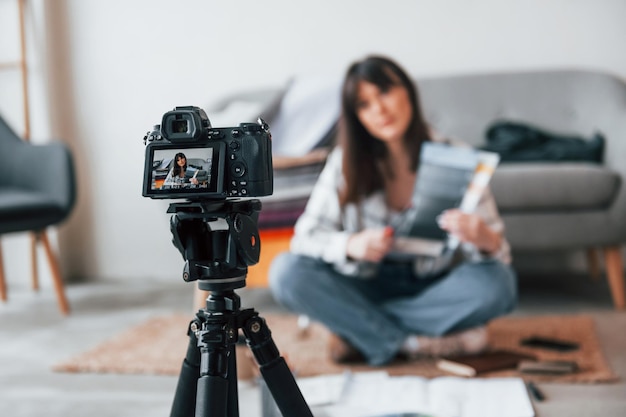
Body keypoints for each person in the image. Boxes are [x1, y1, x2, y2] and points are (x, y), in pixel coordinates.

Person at [268, 55, 517, 366]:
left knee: (499, 284)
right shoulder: (344, 163)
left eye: (384, 92)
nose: (379, 110)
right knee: (287, 272)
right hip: (363, 285)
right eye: (364, 104)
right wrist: (350, 245)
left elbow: (499, 257)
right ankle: (411, 342)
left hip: (433, 288)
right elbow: (304, 239)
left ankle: (363, 332)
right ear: (356, 116)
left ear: (407, 91)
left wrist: (484, 238)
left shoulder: (458, 157)